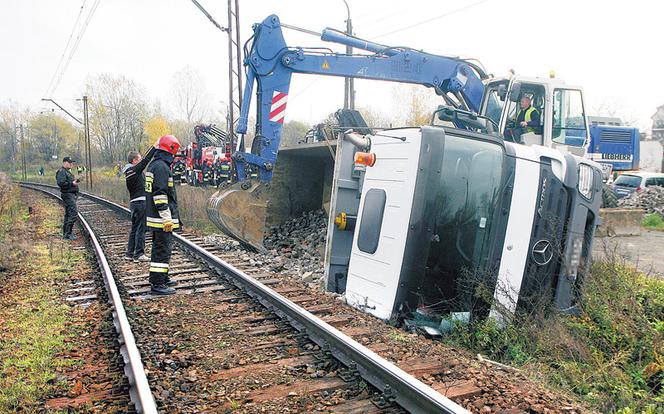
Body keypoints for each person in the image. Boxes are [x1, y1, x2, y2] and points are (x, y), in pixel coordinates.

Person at [146, 135, 182, 295]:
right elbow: (160, 194)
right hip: (161, 218)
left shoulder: (155, 165)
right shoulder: (161, 167)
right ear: (171, 150)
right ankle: (158, 284)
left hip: (156, 217)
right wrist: (166, 216)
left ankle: (162, 277)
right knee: (162, 249)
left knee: (161, 247)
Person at [123, 145, 157, 262]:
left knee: (135, 228)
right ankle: (139, 254)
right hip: (140, 202)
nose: (141, 160)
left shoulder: (129, 172)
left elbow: (143, 161)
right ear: (135, 161)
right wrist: (154, 147)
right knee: (141, 228)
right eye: (139, 159)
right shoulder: (133, 170)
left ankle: (129, 253)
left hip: (134, 203)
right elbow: (145, 161)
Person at [56, 157, 80, 240]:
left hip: (70, 195)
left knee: (69, 213)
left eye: (71, 163)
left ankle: (66, 233)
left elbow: (66, 183)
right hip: (68, 195)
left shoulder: (67, 172)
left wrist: (75, 183)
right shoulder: (62, 172)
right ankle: (68, 234)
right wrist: (72, 183)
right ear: (65, 163)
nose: (71, 164)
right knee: (73, 213)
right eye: (70, 163)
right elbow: (61, 183)